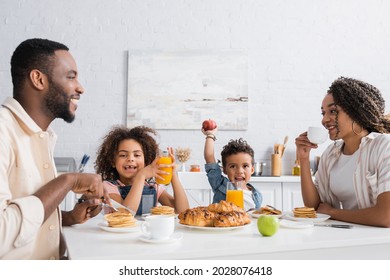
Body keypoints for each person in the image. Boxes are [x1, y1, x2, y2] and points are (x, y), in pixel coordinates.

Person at [0, 38, 107, 260]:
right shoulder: (3, 131)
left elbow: (21, 216)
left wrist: (66, 218)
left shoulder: (42, 136)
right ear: (39, 79)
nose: (80, 87)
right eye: (71, 76)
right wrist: (68, 181)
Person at [295, 77, 390, 227]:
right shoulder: (331, 154)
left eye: (333, 111)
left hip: (379, 242)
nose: (324, 120)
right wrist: (304, 158)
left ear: (356, 112)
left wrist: (333, 213)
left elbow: (386, 217)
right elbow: (314, 207)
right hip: (347, 236)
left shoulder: (384, 147)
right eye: (323, 113)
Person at [95, 125, 189, 215]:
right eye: (123, 155)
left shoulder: (153, 187)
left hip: (147, 232)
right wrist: (141, 176)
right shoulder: (108, 187)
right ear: (112, 161)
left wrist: (172, 173)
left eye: (137, 155)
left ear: (146, 161)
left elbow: (182, 211)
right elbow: (125, 214)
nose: (130, 159)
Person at [202, 126, 262, 210]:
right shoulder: (220, 184)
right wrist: (210, 136)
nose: (239, 171)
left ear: (252, 170)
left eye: (245, 166)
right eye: (233, 166)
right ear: (225, 170)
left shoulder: (257, 195)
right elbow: (209, 157)